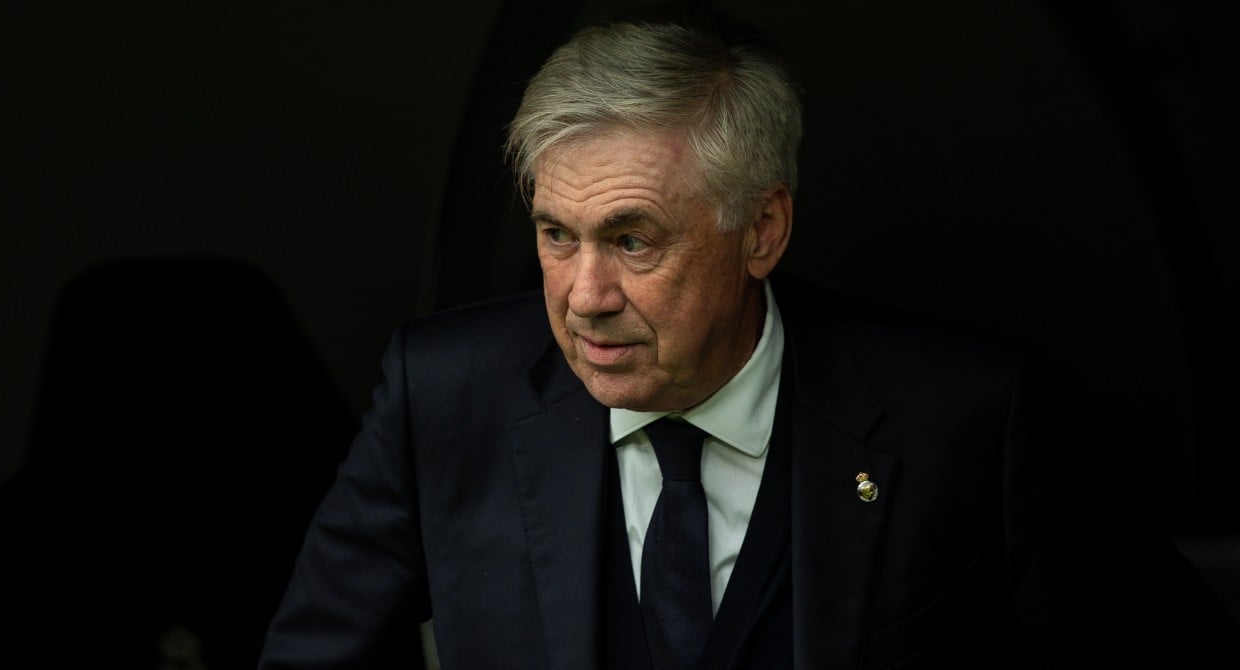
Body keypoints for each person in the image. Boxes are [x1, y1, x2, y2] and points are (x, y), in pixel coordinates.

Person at [258, 14, 1238, 670]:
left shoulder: (969, 419)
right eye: (556, 234)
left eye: (633, 240)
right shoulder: (443, 394)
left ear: (762, 230)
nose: (583, 297)